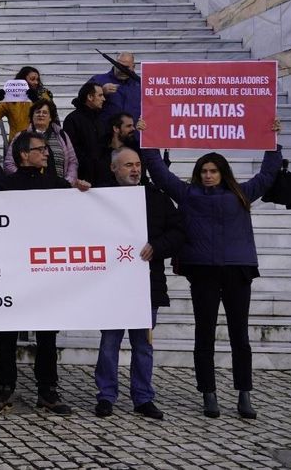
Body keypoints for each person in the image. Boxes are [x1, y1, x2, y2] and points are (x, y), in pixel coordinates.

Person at [140, 119, 282, 420]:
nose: (207, 176)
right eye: (204, 171)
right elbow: (161, 175)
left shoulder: (242, 194)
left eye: (213, 171)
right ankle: (209, 393)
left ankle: (245, 394)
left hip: (237, 270)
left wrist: (273, 141)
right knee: (203, 333)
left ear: (222, 173)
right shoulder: (188, 194)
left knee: (239, 335)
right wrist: (148, 135)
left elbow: (268, 175)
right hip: (202, 270)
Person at [0, 131, 89, 415]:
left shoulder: (56, 183)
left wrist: (85, 193)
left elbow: (79, 211)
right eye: (41, 149)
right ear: (24, 154)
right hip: (13, 272)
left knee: (47, 335)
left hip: (44, 272)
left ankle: (48, 390)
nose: (47, 153)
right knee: (7, 335)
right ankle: (3, 387)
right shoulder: (4, 184)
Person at [94, 148, 186, 420]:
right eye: (128, 165)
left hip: (147, 285)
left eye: (137, 165)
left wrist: (157, 246)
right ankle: (106, 396)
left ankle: (143, 397)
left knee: (143, 345)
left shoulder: (157, 198)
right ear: (114, 169)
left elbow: (179, 232)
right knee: (109, 343)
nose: (135, 170)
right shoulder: (100, 199)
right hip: (111, 285)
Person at [3, 100, 78, 183]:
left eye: (45, 112)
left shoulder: (61, 135)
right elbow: (9, 163)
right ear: (32, 116)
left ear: (50, 118)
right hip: (29, 188)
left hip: (59, 189)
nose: (41, 115)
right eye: (37, 112)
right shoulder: (21, 136)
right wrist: (24, 180)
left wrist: (67, 182)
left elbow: (72, 161)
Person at [0, 66, 53, 142]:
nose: (36, 82)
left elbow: (51, 116)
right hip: (17, 144)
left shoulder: (44, 94)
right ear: (23, 80)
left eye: (37, 80)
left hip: (40, 141)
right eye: (32, 79)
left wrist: (36, 102)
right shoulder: (10, 99)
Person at [62, 81, 111, 186]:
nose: (104, 99)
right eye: (100, 95)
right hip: (82, 179)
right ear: (89, 97)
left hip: (102, 176)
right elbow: (71, 151)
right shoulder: (72, 119)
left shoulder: (100, 120)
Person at [93, 51, 141, 120]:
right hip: (106, 129)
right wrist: (101, 92)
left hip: (133, 129)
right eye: (119, 66)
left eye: (126, 67)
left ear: (133, 67)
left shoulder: (140, 84)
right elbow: (83, 102)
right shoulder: (98, 80)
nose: (122, 70)